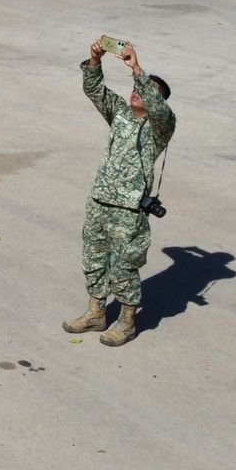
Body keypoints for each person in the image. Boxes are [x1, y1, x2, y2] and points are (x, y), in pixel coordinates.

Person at [63, 41, 174, 347]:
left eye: (146, 90)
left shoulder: (160, 127)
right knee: (94, 259)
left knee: (124, 267)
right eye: (136, 87)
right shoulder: (121, 113)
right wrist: (95, 60)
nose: (137, 91)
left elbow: (159, 109)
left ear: (157, 100)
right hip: (100, 201)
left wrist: (137, 69)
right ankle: (96, 313)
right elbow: (95, 90)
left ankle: (127, 322)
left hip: (128, 210)